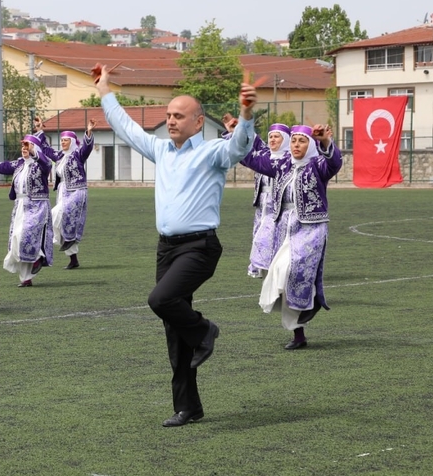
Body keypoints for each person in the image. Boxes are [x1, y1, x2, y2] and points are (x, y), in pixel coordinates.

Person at [95, 63, 257, 427]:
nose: (171, 121)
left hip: (199, 247)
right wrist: (105, 90)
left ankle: (205, 330)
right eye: (168, 115)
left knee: (160, 300)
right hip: (166, 249)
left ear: (198, 122)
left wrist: (246, 116)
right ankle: (188, 407)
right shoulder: (161, 150)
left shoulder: (213, 151)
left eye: (179, 116)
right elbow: (125, 127)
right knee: (173, 328)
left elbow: (240, 147)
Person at [241, 124, 342, 350]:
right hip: (284, 227)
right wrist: (236, 136)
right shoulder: (283, 164)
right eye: (294, 141)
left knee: (291, 271)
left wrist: (325, 142)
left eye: (302, 141)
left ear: (311, 145)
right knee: (283, 279)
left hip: (310, 228)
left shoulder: (318, 166)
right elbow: (253, 161)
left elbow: (334, 163)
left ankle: (313, 301)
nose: (296, 145)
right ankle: (299, 335)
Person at [0, 135, 53, 287]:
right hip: (20, 206)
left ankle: (38, 257)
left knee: (25, 235)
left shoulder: (41, 164)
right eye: (23, 146)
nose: (24, 149)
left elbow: (47, 164)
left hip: (37, 206)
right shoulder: (19, 164)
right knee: (16, 240)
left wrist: (33, 152)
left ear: (35, 148)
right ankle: (26, 278)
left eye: (28, 146)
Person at [35, 117, 95, 269]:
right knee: (62, 225)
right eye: (62, 140)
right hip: (63, 192)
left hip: (76, 192)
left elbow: (87, 148)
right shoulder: (59, 156)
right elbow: (45, 149)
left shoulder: (78, 154)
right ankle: (73, 260)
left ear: (72, 142)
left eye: (66, 140)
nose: (63, 142)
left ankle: (44, 252)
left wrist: (88, 132)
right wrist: (40, 130)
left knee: (54, 215)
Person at [247, 123, 291, 278]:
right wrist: (238, 130)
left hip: (278, 205)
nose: (272, 139)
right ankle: (261, 267)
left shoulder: (290, 159)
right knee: (259, 232)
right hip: (263, 203)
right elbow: (254, 141)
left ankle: (274, 266)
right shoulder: (265, 154)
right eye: (270, 136)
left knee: (269, 236)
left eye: (276, 136)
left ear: (285, 139)